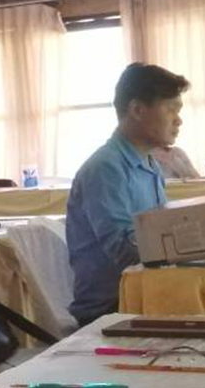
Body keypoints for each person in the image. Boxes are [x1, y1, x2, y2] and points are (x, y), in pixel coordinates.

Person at [67, 62, 190, 327]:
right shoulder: (106, 168)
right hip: (113, 309)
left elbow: (157, 232)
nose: (178, 120)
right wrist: (193, 244)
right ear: (136, 110)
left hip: (148, 293)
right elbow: (124, 251)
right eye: (171, 109)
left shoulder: (149, 163)